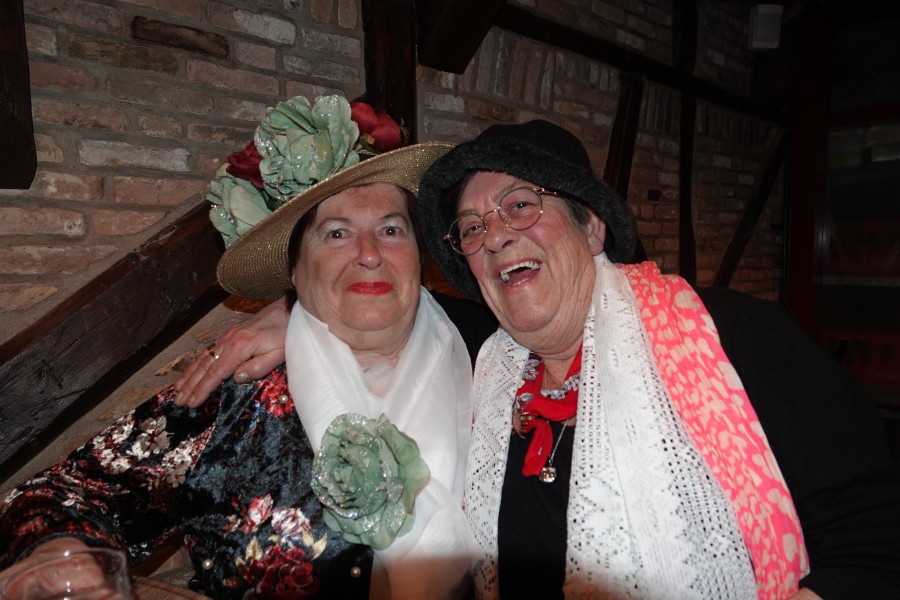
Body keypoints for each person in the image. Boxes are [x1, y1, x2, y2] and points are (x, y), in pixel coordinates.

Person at [172, 120, 900, 600]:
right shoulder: (488, 365)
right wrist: (299, 311)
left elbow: (876, 535)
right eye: (471, 228)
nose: (494, 236)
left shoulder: (733, 338)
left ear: (591, 226)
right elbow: (378, 303)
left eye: (521, 206)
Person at [0, 95, 477, 600]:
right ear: (295, 273)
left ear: (419, 255)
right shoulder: (232, 397)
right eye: (337, 233)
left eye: (391, 229)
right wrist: (60, 550)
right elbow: (60, 496)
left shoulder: (494, 361)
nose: (369, 254)